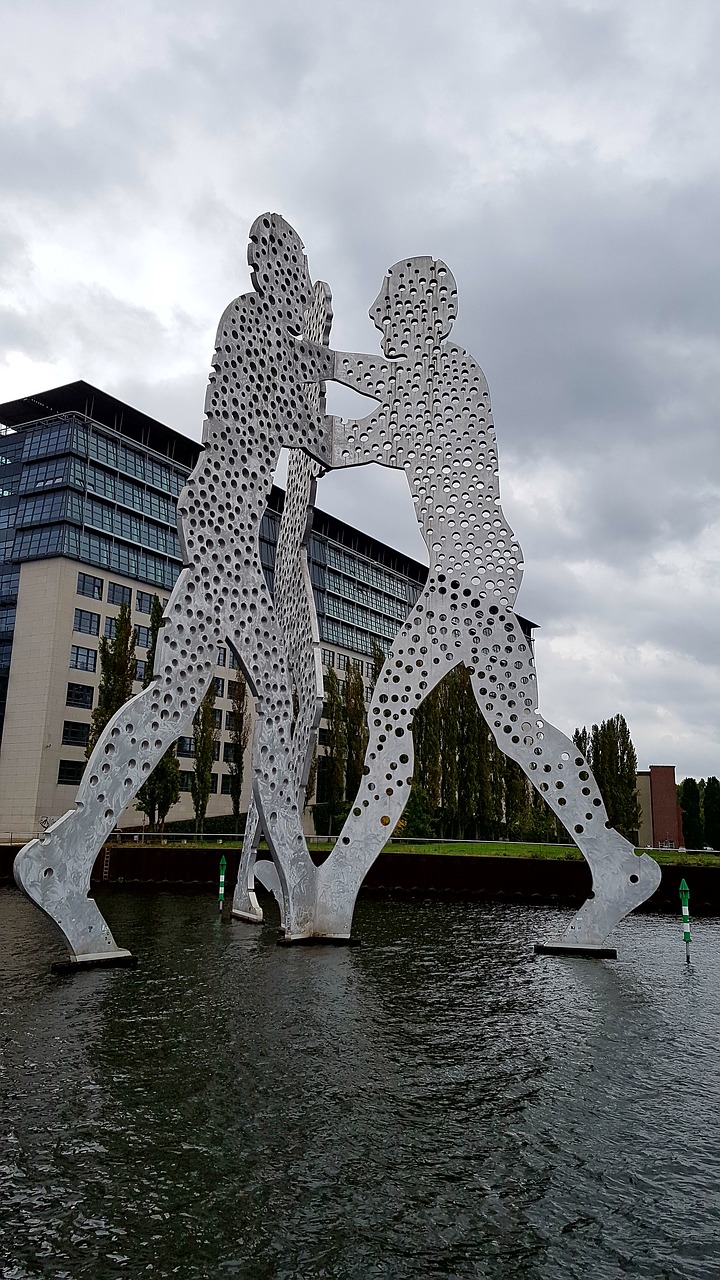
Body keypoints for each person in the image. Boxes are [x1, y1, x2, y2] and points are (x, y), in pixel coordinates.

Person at [14, 214, 335, 958]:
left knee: (169, 699)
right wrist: (331, 353)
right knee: (280, 696)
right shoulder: (252, 324)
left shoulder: (260, 331)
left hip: (219, 525)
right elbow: (315, 439)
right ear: (271, 275)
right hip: (224, 527)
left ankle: (61, 855)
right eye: (290, 275)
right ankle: (301, 900)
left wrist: (316, 356)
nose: (294, 290)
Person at [316, 256, 660, 947]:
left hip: (469, 573)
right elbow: (352, 429)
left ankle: (336, 887)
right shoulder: (426, 396)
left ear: (423, 314)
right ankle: (614, 860)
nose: (378, 316)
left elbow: (365, 412)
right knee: (518, 729)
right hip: (483, 571)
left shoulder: (448, 376)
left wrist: (307, 362)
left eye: (388, 305)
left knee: (390, 710)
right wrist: (299, 385)